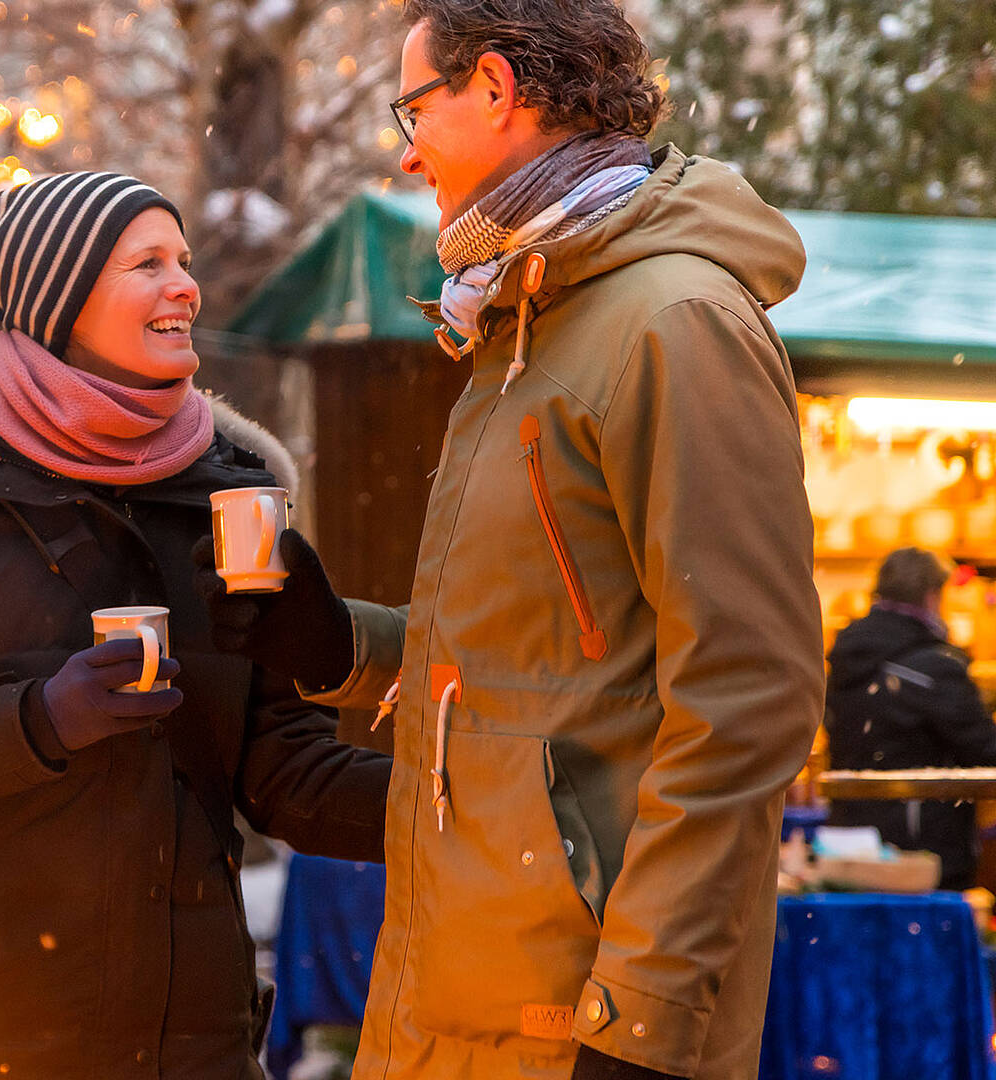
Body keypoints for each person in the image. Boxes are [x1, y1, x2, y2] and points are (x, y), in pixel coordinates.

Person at [194, 2, 825, 1078]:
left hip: (576, 1011)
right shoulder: (525, 321)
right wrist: (342, 642)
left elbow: (749, 694)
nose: (403, 148)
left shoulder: (674, 322)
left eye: (414, 106)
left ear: (494, 86)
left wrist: (643, 1021)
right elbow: (549, 664)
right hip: (473, 982)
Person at [0, 171, 392, 1080]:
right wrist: (39, 720)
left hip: (195, 1042)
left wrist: (455, 804)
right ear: (58, 299)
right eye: (146, 264)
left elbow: (282, 773)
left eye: (183, 261)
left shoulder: (231, 500)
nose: (184, 286)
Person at [825, 548, 996, 890]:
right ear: (933, 595)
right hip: (920, 851)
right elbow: (986, 749)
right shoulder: (932, 667)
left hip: (850, 839)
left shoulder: (847, 656)